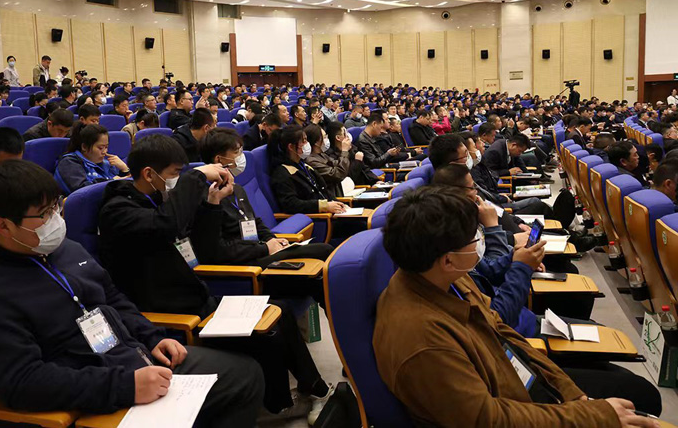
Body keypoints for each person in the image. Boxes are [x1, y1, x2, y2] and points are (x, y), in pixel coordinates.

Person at [0, 159, 263, 423]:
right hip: (92, 394)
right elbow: (22, 382)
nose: (55, 219)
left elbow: (112, 298)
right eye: (43, 214)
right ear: (3, 226)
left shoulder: (66, 250)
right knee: (234, 386)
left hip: (133, 357)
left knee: (244, 374)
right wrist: (125, 386)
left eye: (57, 206)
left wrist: (152, 337)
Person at [374, 186, 661, 426]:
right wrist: (590, 416)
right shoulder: (423, 342)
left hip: (514, 377)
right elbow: (488, 419)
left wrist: (571, 393)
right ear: (448, 259)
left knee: (629, 385)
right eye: (475, 239)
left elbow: (500, 328)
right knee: (639, 397)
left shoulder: (445, 276)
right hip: (506, 404)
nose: (479, 244)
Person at [98, 134, 334, 419]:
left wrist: (212, 203)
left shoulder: (157, 199)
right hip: (174, 312)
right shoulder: (118, 211)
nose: (178, 181)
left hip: (197, 297)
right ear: (149, 174)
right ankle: (277, 406)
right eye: (175, 174)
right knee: (267, 333)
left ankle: (315, 388)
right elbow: (167, 226)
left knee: (278, 311)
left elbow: (201, 243)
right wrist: (196, 176)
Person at [198, 128, 335, 269]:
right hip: (243, 264)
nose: (241, 156)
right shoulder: (206, 197)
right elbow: (219, 250)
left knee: (321, 250)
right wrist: (265, 248)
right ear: (219, 159)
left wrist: (272, 239)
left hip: (258, 249)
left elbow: (254, 221)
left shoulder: (236, 188)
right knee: (323, 251)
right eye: (236, 152)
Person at [268, 125, 346, 215]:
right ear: (291, 147)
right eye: (304, 141)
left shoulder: (304, 166)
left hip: (329, 213)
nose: (307, 144)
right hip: (316, 218)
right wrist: (323, 206)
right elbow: (291, 204)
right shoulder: (282, 173)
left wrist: (339, 204)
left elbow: (323, 190)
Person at [55, 123, 130, 194]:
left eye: (106, 147)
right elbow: (82, 191)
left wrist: (125, 169)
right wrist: (112, 182)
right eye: (100, 148)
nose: (104, 152)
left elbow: (120, 181)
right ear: (84, 147)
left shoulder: (106, 163)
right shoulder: (69, 162)